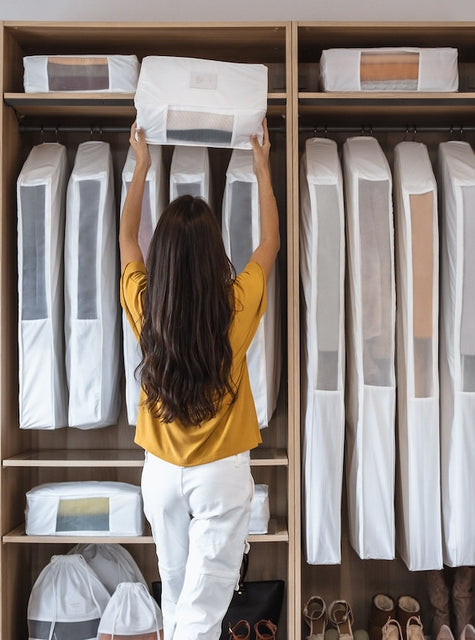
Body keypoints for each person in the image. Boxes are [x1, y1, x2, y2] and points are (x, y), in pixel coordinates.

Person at [119, 119, 280, 640]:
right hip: (219, 473)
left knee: (176, 593)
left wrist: (141, 168)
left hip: (161, 473)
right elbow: (270, 244)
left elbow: (126, 239)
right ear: (215, 255)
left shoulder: (147, 305)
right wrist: (261, 168)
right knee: (202, 611)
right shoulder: (234, 306)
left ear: (162, 257)